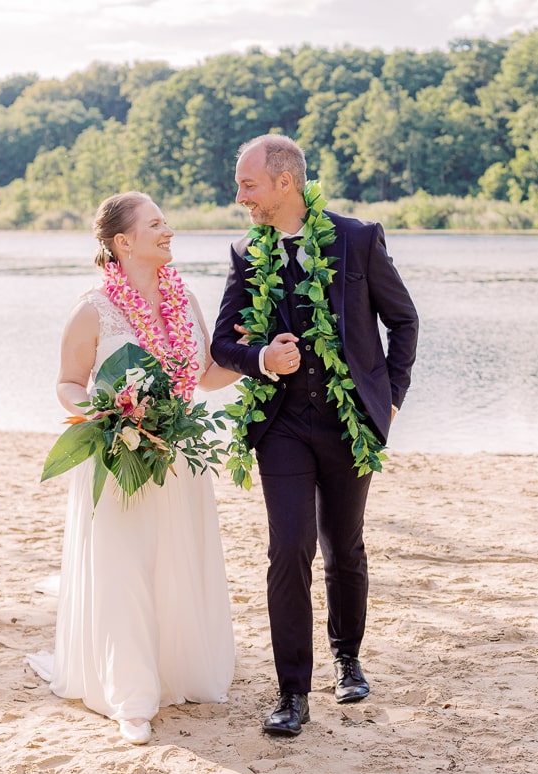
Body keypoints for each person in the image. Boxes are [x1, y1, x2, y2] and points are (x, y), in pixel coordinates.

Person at [210, 134, 418, 736]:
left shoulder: (357, 238)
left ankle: (347, 658)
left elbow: (402, 321)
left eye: (248, 183)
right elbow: (224, 344)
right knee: (289, 547)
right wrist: (262, 360)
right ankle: (291, 691)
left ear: (285, 182)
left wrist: (393, 398)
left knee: (343, 546)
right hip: (283, 426)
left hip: (348, 422)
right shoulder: (247, 253)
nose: (240, 194)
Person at [28, 192, 240, 745]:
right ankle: (130, 694)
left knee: (174, 563)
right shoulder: (93, 307)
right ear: (123, 242)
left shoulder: (186, 298)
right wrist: (109, 413)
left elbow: (207, 372)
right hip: (118, 455)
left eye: (165, 222)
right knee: (123, 570)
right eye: (155, 224)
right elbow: (67, 382)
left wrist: (257, 363)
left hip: (179, 459)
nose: (168, 231)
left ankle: (174, 673)